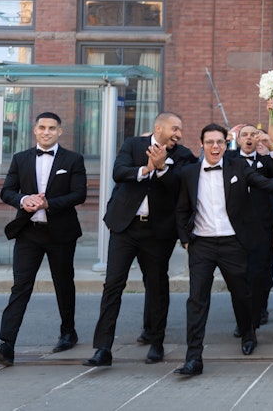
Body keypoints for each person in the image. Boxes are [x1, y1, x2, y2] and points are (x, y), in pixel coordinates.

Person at [83, 112, 197, 368]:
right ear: (159, 127)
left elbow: (181, 184)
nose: (178, 134)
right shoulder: (133, 145)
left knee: (156, 286)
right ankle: (103, 348)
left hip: (158, 233)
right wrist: (147, 168)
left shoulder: (183, 155)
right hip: (125, 227)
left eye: (180, 130)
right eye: (174, 128)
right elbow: (118, 172)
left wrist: (162, 168)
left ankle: (157, 343)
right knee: (112, 284)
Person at [0, 112, 87, 367]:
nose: (47, 132)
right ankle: (6, 345)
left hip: (60, 233)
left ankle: (68, 332)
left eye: (52, 128)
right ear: (35, 130)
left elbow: (79, 194)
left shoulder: (73, 159)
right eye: (42, 127)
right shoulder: (21, 159)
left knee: (63, 283)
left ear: (60, 132)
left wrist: (49, 203)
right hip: (29, 232)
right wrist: (23, 200)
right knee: (20, 287)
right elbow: (6, 191)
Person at [172, 123, 268, 377]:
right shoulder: (189, 173)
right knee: (196, 300)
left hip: (231, 242)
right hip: (201, 244)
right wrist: (185, 239)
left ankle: (248, 333)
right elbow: (181, 209)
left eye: (220, 142)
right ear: (201, 145)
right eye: (210, 142)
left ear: (227, 145)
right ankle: (194, 357)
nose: (215, 147)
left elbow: (260, 181)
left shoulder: (238, 167)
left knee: (241, 294)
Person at [227, 123, 273, 331]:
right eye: (245, 135)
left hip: (262, 227)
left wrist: (271, 147)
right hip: (236, 229)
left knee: (261, 274)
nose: (249, 138)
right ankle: (242, 318)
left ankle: (258, 312)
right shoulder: (230, 160)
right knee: (240, 276)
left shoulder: (265, 161)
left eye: (254, 134)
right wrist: (226, 142)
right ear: (239, 139)